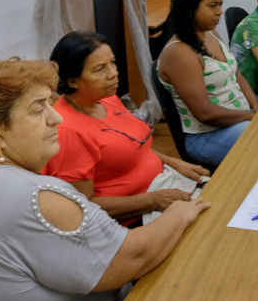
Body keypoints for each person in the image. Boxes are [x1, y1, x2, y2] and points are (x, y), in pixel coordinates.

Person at [0, 57, 210, 301]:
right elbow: (131, 258)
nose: (56, 117)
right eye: (38, 110)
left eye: (50, 103)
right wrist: (179, 213)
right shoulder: (38, 196)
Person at [44, 31, 211, 227]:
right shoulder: (68, 131)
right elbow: (82, 205)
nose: (114, 72)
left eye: (112, 63)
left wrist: (173, 162)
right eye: (100, 69)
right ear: (73, 80)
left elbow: (132, 146)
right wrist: (153, 200)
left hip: (164, 184)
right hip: (134, 216)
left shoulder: (106, 98)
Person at [159, 0, 258, 167]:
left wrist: (255, 105)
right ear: (190, 8)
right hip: (206, 136)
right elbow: (204, 113)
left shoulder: (211, 33)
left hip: (238, 118)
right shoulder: (179, 52)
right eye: (212, 6)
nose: (219, 12)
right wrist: (252, 116)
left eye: (220, 5)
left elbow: (236, 74)